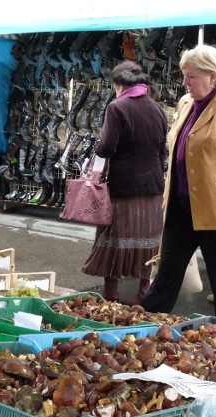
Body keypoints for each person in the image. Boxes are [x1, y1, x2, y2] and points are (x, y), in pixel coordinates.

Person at [139, 45, 216, 329]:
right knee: (165, 278)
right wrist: (167, 195)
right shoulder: (186, 103)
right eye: (185, 75)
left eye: (192, 76)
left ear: (214, 76)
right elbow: (179, 153)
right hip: (181, 209)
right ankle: (140, 330)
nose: (185, 82)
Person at [81, 61, 167, 302]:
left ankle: (112, 293)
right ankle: (143, 291)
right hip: (152, 185)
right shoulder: (156, 108)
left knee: (113, 237)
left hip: (123, 185)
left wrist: (96, 153)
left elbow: (106, 147)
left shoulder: (117, 107)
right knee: (148, 239)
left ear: (118, 84)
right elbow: (162, 150)